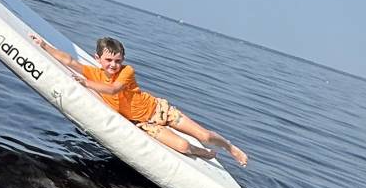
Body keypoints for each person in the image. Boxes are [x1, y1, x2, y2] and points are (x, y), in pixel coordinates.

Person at [30, 34, 247, 165]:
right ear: (98, 58)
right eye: (108, 60)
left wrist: (85, 83)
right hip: (143, 123)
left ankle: (229, 147)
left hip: (158, 109)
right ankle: (203, 152)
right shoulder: (93, 72)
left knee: (205, 135)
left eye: (117, 60)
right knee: (182, 146)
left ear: (123, 60)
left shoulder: (126, 72)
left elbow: (114, 90)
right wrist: (43, 45)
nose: (113, 65)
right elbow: (69, 59)